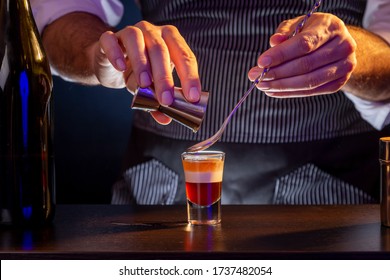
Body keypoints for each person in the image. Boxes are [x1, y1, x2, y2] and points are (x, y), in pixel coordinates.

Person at [31, 0, 390, 205]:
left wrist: (352, 54)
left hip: (330, 195)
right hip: (156, 190)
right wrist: (100, 53)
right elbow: (62, 12)